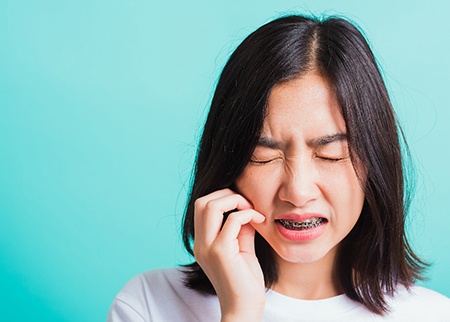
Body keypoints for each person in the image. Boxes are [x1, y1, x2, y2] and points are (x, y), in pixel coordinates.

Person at [107, 14, 450, 321]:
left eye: (331, 154)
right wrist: (240, 311)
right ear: (228, 162)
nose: (298, 192)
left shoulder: (431, 315)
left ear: (375, 162)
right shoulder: (148, 305)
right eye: (264, 156)